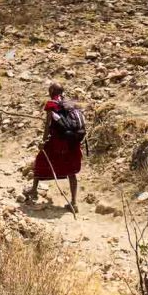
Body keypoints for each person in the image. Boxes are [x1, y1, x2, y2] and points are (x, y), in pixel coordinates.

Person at [26, 82, 83, 211]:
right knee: (72, 171)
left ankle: (34, 190)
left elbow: (48, 124)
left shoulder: (52, 104)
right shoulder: (71, 104)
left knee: (40, 160)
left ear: (51, 91)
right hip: (72, 143)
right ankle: (74, 202)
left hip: (57, 142)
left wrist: (43, 140)